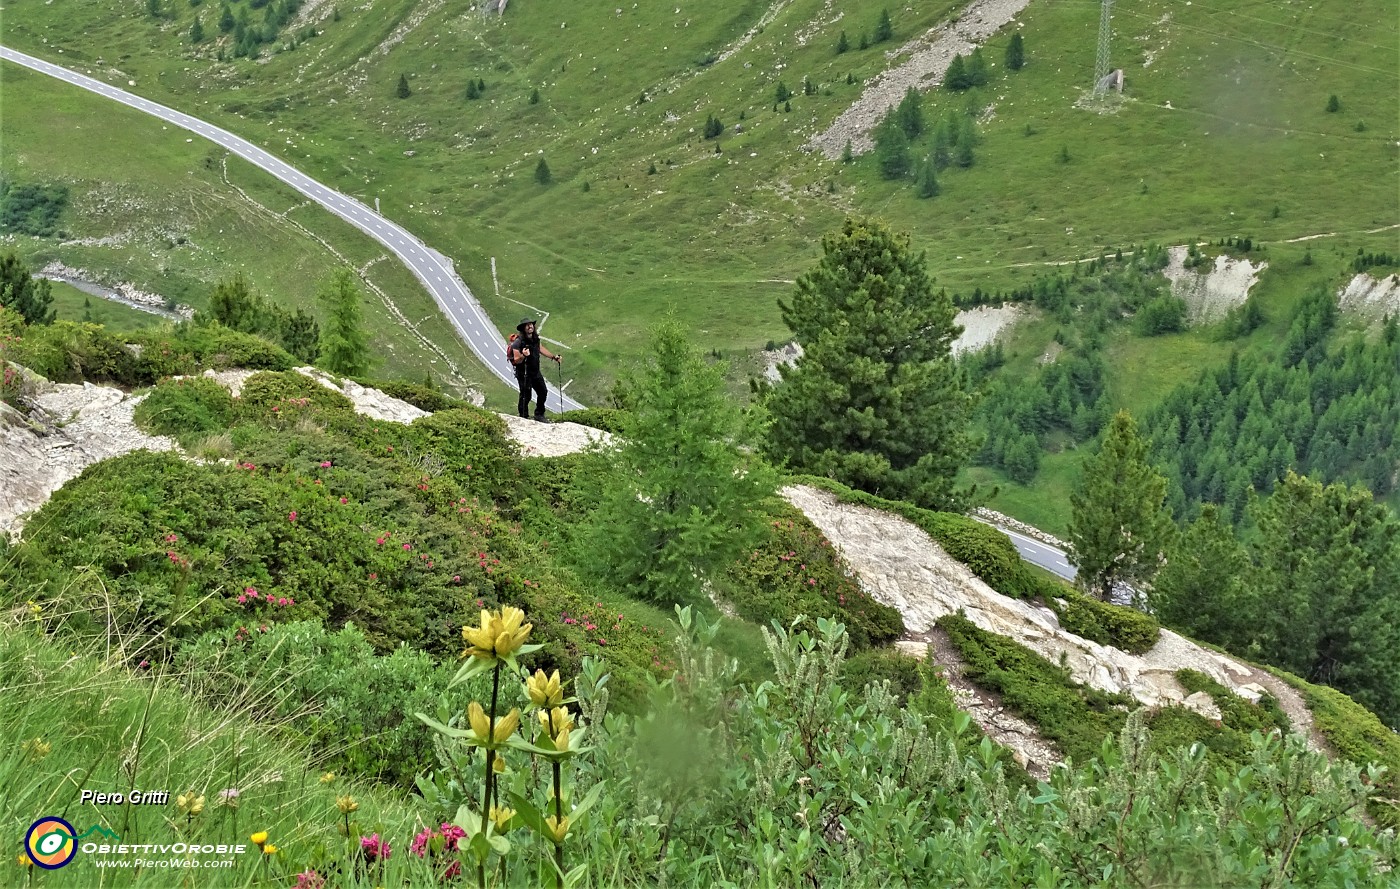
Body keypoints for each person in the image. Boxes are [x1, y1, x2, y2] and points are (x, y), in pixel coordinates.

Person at [510, 318, 560, 421]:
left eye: (531, 324)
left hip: (535, 372)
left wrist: (554, 357)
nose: (530, 326)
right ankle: (523, 416)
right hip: (524, 373)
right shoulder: (518, 343)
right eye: (527, 325)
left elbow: (541, 349)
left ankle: (539, 414)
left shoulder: (535, 339)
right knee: (525, 396)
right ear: (523, 328)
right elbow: (516, 360)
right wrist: (523, 355)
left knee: (543, 392)